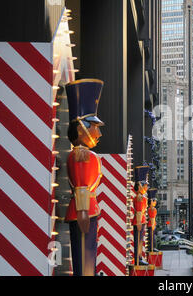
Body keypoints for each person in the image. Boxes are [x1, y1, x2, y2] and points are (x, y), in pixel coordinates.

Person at [64, 79, 105, 276]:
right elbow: (81, 187)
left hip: (87, 211)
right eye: (95, 127)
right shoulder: (82, 155)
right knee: (85, 259)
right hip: (84, 212)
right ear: (82, 128)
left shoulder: (82, 154)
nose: (99, 133)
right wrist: (82, 214)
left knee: (87, 260)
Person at [133, 165, 150, 266]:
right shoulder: (139, 198)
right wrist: (139, 222)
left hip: (141, 220)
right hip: (139, 221)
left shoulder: (141, 197)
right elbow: (139, 211)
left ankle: (139, 258)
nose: (146, 188)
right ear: (140, 185)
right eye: (145, 185)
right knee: (138, 241)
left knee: (140, 241)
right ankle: (138, 259)